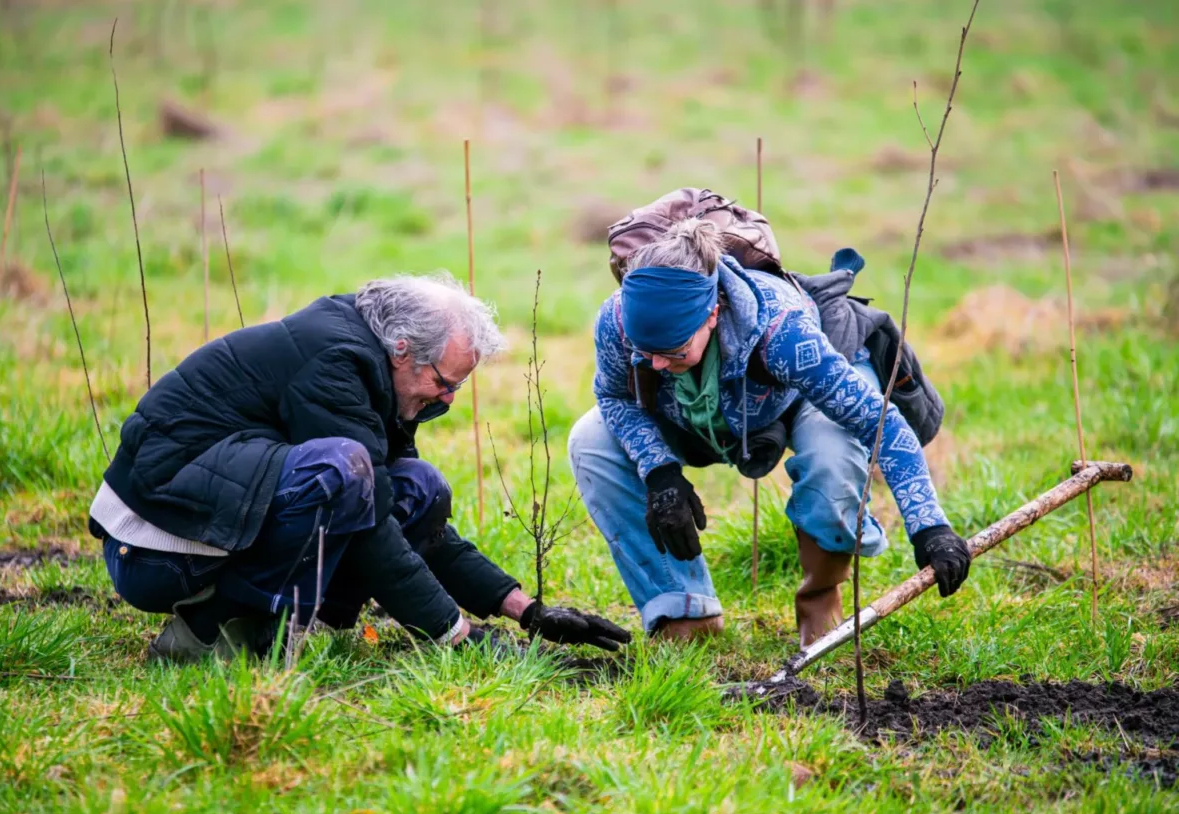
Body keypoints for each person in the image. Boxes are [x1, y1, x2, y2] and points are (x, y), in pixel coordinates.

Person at [88, 273, 630, 661]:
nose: (449, 398)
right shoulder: (334, 365)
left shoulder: (376, 374)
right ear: (401, 350)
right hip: (155, 553)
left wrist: (524, 609)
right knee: (344, 471)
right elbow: (368, 520)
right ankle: (211, 630)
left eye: (459, 386)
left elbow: (411, 522)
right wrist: (457, 633)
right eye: (445, 382)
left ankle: (258, 621)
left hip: (210, 527)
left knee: (419, 487)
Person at [568, 219, 971, 646]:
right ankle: (683, 613)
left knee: (833, 456)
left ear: (712, 314)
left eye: (672, 352)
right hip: (694, 412)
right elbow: (614, 397)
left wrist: (931, 528)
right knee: (590, 440)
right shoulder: (617, 318)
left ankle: (821, 606)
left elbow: (882, 424)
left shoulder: (779, 331)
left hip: (799, 397)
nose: (657, 364)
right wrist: (659, 472)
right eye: (644, 354)